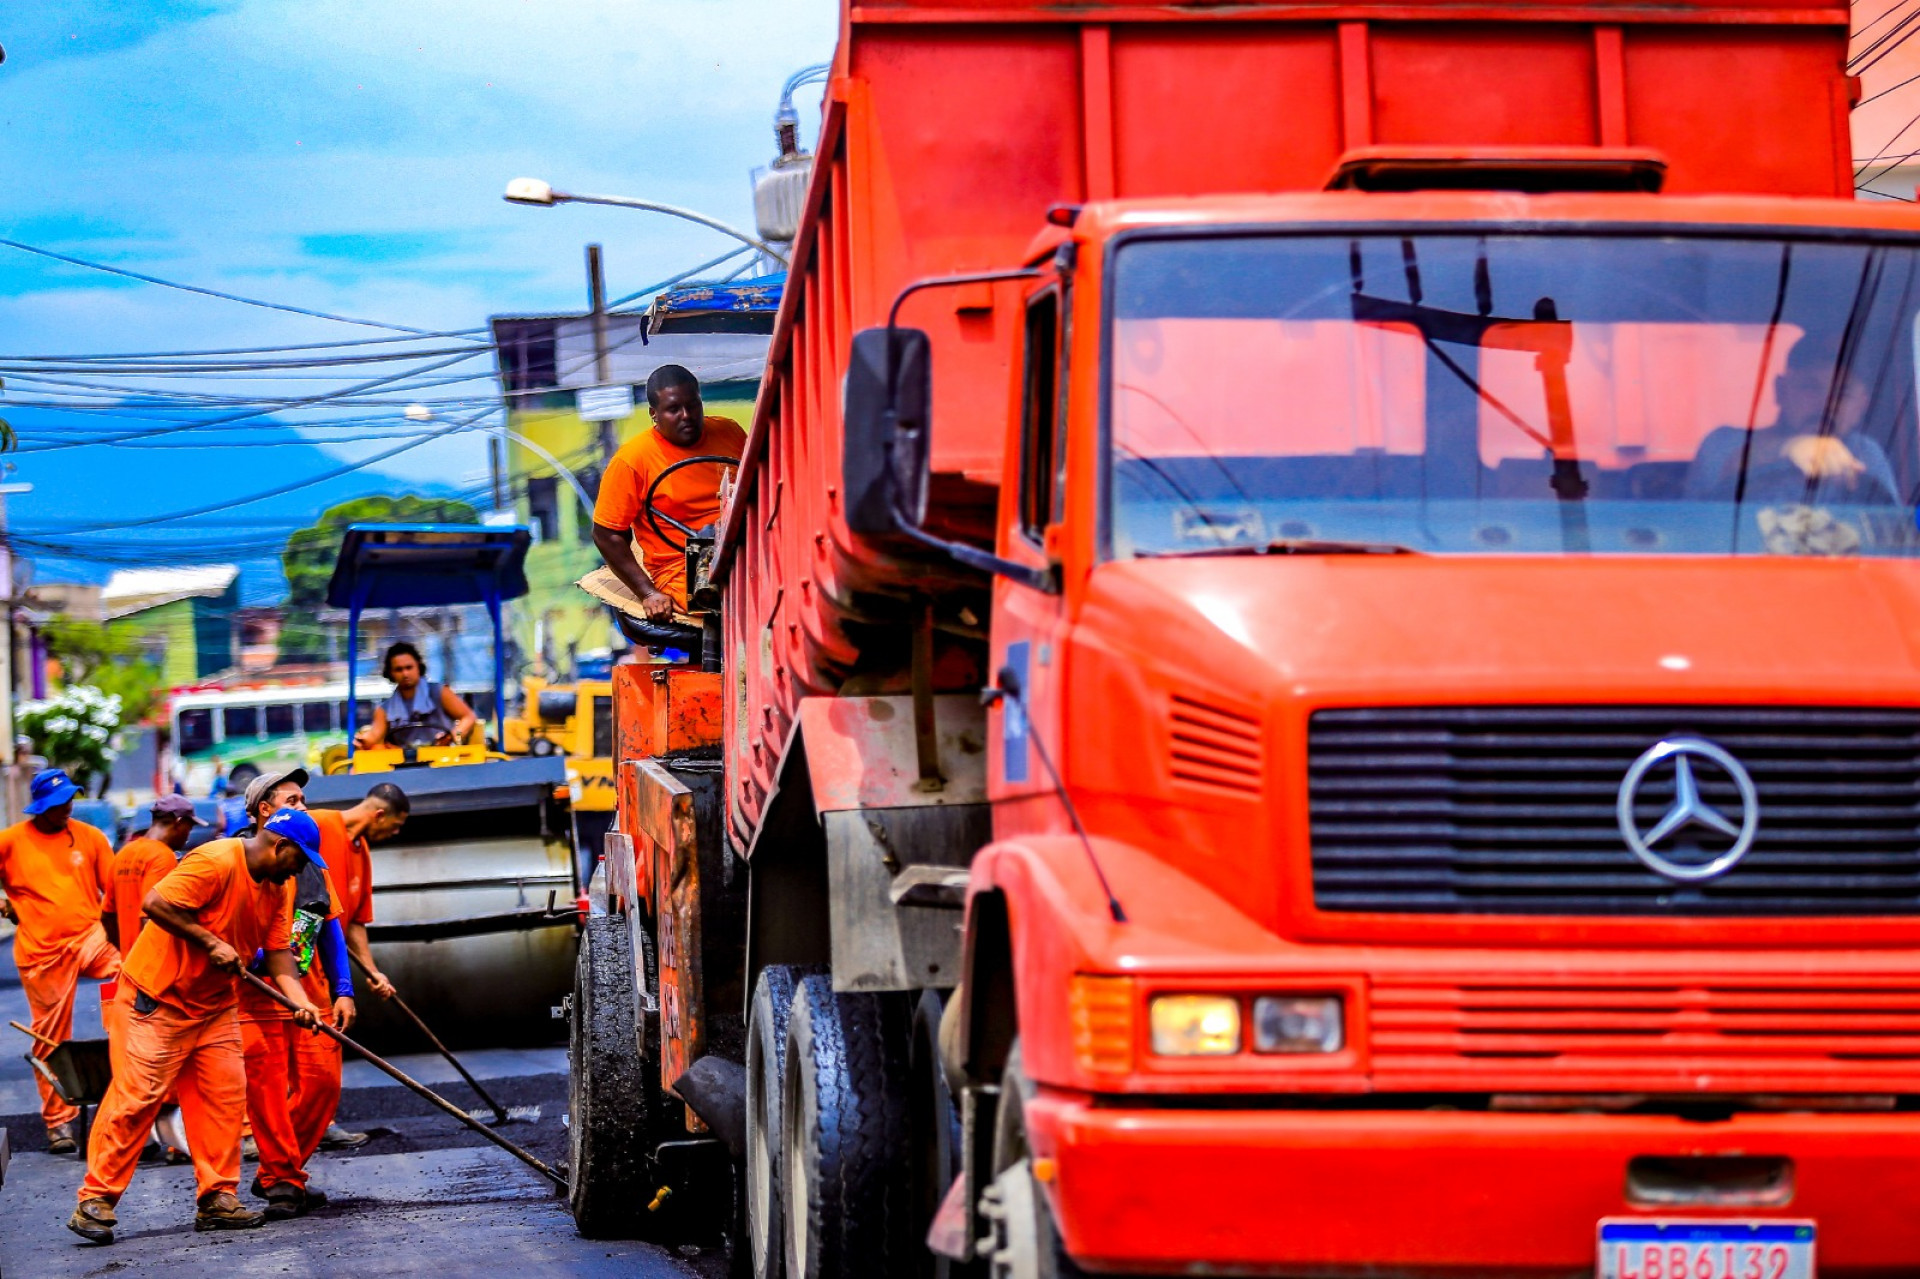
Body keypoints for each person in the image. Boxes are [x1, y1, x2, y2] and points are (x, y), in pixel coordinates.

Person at [69, 807, 324, 1242]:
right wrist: (210, 942)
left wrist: (301, 1002)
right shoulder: (216, 860)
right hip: (159, 999)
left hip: (214, 1006)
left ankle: (218, 1197)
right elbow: (155, 903)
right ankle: (96, 1199)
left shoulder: (279, 887)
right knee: (138, 1100)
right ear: (280, 845)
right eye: (298, 859)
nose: (299, 869)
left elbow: (280, 952)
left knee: (223, 1100)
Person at [233, 768, 356, 1215]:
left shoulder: (310, 860)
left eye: (304, 798)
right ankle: (283, 1180)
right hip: (256, 995)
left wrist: (344, 989)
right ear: (265, 811)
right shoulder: (240, 858)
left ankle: (278, 1170)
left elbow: (330, 924)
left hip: (311, 990)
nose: (304, 806)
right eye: (293, 800)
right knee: (266, 1094)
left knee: (323, 1083)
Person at [0, 768, 119, 1154]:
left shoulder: (90, 837)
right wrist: (4, 903)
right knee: (50, 1036)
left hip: (90, 937)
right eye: (56, 803)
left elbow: (114, 891)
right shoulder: (11, 841)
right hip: (42, 951)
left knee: (131, 975)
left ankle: (126, 1057)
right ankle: (58, 1122)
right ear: (39, 807)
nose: (66, 807)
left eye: (68, 799)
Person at [591, 363, 747, 620]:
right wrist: (648, 592)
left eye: (693, 405)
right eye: (674, 409)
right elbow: (606, 534)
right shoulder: (632, 460)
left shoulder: (729, 432)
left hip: (744, 547)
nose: (686, 415)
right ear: (654, 414)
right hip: (682, 567)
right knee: (737, 600)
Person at [308, 781, 408, 1150]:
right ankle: (300, 1129)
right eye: (395, 825)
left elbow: (354, 922)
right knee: (306, 1051)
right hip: (299, 962)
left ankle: (317, 1124)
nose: (394, 833)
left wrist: (372, 971)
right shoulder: (317, 825)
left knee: (327, 1048)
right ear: (379, 814)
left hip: (329, 969)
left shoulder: (361, 850)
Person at [1688, 336, 1901, 502]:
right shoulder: (1723, 443)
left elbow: (1889, 528)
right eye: (1810, 387)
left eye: (1843, 393)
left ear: (1862, 405)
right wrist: (1788, 448)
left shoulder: (1865, 452)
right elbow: (1700, 518)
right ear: (1781, 391)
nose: (1826, 404)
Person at [353, 641, 477, 749]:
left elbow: (468, 716)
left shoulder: (440, 692)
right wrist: (363, 741)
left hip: (444, 758)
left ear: (418, 667)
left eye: (409, 667)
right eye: (399, 669)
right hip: (405, 763)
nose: (405, 674)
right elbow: (374, 736)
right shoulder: (384, 710)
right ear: (390, 673)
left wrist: (453, 735)